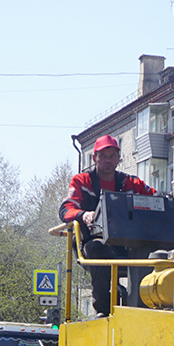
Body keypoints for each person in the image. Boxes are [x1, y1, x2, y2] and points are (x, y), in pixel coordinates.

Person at [59, 134, 159, 316]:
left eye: (112, 156)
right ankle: (102, 309)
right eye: (103, 156)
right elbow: (66, 209)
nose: (108, 160)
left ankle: (141, 305)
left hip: (126, 244)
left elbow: (157, 199)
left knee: (151, 251)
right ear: (94, 158)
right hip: (92, 244)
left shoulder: (130, 183)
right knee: (98, 248)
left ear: (118, 159)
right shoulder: (82, 181)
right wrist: (84, 215)